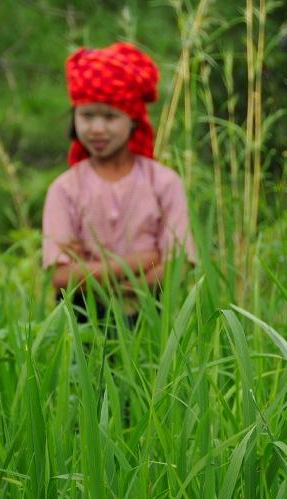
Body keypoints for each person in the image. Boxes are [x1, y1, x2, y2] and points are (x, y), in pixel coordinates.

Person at [42, 42, 196, 327]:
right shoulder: (65, 189)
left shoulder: (163, 182)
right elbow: (61, 277)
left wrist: (93, 274)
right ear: (75, 119)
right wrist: (142, 261)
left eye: (110, 117)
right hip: (81, 320)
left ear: (133, 121)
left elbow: (177, 266)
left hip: (152, 317)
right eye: (87, 115)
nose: (97, 128)